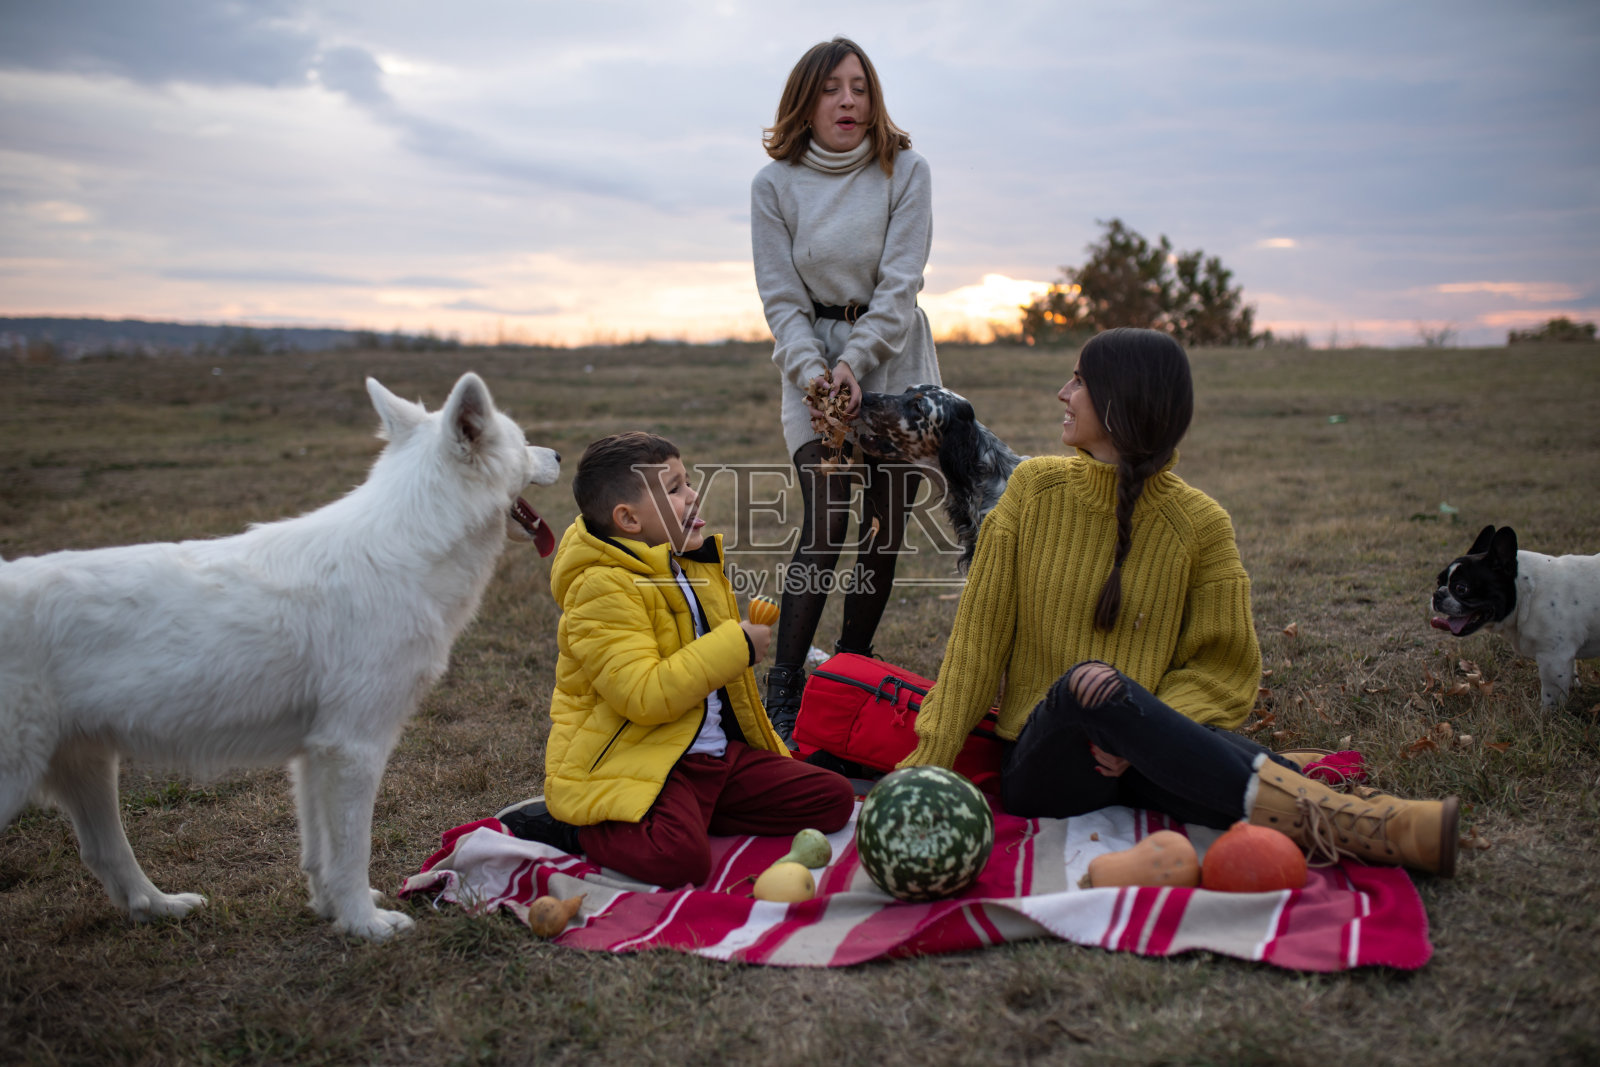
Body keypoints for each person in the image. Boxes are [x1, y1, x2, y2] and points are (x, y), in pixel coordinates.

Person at [900, 328, 1459, 876]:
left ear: (1120, 401)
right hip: (1049, 767)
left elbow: (1222, 668)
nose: (1063, 394)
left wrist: (1136, 739)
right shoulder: (1032, 491)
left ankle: (1379, 830)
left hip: (1139, 763)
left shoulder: (1200, 524)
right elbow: (976, 645)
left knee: (1196, 749)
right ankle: (1359, 818)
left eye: (1079, 382)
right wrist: (926, 761)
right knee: (1089, 683)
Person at [497, 432, 855, 887]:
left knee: (832, 799)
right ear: (629, 519)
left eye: (687, 482)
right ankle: (574, 827)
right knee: (679, 860)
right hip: (647, 758)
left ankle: (694, 813)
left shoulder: (683, 562)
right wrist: (738, 646)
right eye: (674, 489)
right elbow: (643, 695)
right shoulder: (600, 588)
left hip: (711, 755)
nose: (692, 494)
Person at [751, 36, 942, 745]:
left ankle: (851, 676)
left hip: (894, 361)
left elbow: (901, 285)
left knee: (883, 529)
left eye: (860, 87)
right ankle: (784, 688)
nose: (848, 101)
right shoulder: (773, 186)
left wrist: (857, 361)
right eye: (832, 88)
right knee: (827, 520)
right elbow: (781, 299)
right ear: (806, 101)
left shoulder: (906, 171)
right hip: (813, 369)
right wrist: (813, 373)